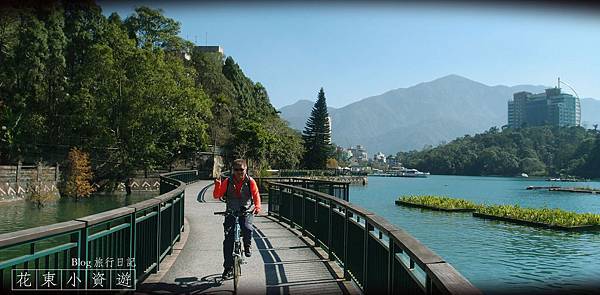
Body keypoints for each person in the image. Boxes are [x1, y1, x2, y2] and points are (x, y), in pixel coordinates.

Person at [213, 159, 261, 279]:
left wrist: (257, 207)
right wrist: (217, 184)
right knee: (228, 240)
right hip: (231, 211)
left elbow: (256, 195)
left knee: (247, 228)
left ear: (246, 170)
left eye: (242, 170)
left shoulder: (250, 181)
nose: (239, 172)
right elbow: (217, 195)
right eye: (237, 170)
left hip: (246, 210)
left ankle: (247, 244)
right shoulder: (227, 181)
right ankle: (227, 268)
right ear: (233, 170)